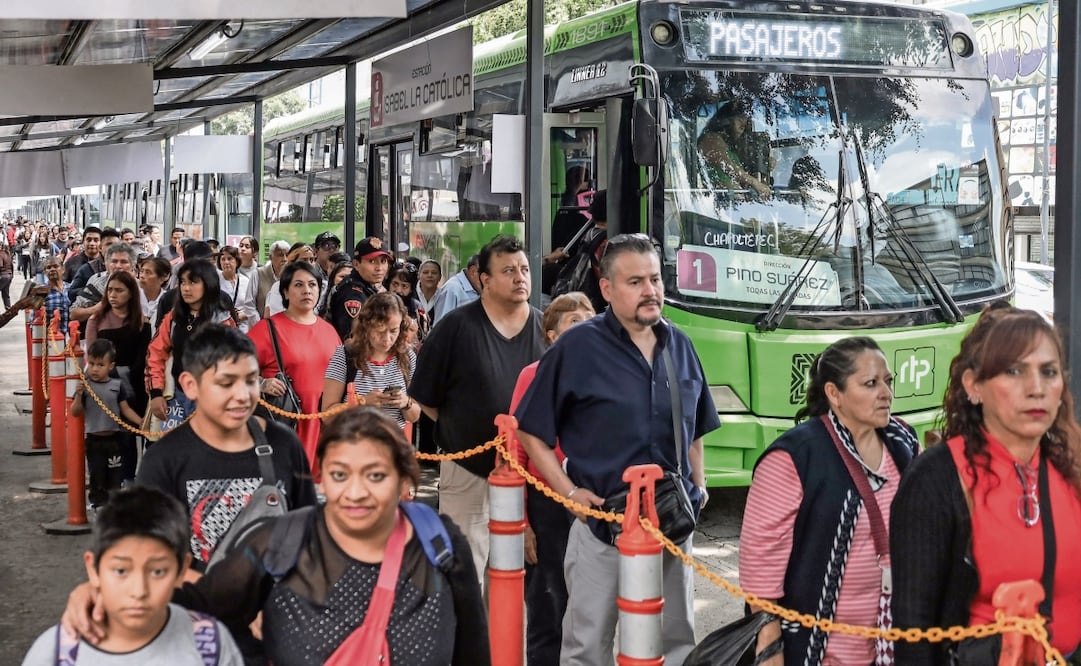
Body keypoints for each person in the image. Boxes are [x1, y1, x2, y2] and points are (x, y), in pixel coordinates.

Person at [514, 233, 719, 665]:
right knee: (588, 646)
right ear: (606, 289)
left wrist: (698, 488)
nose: (651, 291)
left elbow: (697, 426)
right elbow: (530, 430)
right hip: (602, 527)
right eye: (636, 282)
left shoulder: (679, 344)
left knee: (675, 643)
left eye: (656, 280)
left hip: (672, 526)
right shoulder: (577, 347)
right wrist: (570, 493)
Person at [891, 304, 1081, 664]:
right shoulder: (935, 479)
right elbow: (913, 631)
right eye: (1013, 371)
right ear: (973, 386)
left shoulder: (1073, 463)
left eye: (1049, 371)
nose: (1036, 388)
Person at [739, 336, 919, 665]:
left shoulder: (902, 440)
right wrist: (769, 651)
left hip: (892, 643)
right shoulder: (794, 458)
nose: (886, 394)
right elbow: (760, 569)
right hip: (821, 650)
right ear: (834, 393)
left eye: (888, 381)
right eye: (870, 383)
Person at [412, 235, 544, 581]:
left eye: (524, 270)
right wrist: (460, 429)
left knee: (518, 578)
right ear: (484, 279)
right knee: (467, 574)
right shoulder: (455, 328)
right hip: (467, 470)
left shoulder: (545, 329)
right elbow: (425, 394)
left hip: (530, 475)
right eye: (509, 270)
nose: (520, 278)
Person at [139, 325, 318, 576]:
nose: (243, 396)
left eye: (251, 381)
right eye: (226, 383)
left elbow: (308, 536)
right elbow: (149, 559)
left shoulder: (285, 445)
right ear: (190, 385)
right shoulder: (163, 461)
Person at [22, 486, 245, 666]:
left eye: (158, 571)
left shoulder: (209, 644)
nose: (139, 591)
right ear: (93, 568)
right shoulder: (56, 654)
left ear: (181, 570)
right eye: (121, 571)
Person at [508, 292, 596, 666]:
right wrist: (522, 522)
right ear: (551, 334)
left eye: (590, 319)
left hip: (593, 502)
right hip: (547, 504)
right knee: (547, 607)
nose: (585, 328)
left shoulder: (604, 376)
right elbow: (515, 451)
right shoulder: (533, 374)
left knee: (590, 611)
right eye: (574, 321)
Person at [249, 261, 341, 471]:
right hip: (285, 426)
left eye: (312, 284)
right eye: (298, 285)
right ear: (285, 292)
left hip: (324, 430)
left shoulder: (330, 331)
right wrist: (261, 383)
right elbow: (233, 369)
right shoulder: (267, 329)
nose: (307, 290)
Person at [146, 260, 236, 429]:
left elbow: (233, 364)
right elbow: (155, 353)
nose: (186, 288)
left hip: (212, 401)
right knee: (175, 453)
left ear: (208, 284)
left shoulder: (222, 321)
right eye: (183, 282)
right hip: (176, 397)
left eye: (193, 282)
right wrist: (156, 393)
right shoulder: (173, 317)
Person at [85, 271, 152, 483]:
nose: (113, 295)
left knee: (139, 432)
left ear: (131, 294)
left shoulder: (142, 322)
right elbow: (92, 356)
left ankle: (138, 481)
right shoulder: (97, 320)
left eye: (119, 290)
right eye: (110, 290)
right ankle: (116, 483)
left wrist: (131, 380)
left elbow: (143, 357)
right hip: (107, 386)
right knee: (116, 439)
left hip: (137, 384)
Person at [321, 292, 420, 430]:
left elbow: (415, 416)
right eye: (380, 331)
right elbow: (327, 415)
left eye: (393, 331)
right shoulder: (345, 355)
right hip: (354, 444)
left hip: (392, 445)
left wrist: (406, 403)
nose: (387, 339)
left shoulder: (407, 357)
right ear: (366, 326)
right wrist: (362, 402)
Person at [71, 339, 143, 508]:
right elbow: (75, 412)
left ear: (111, 366)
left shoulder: (117, 386)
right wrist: (79, 395)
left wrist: (141, 422)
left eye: (101, 365)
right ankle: (97, 505)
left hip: (114, 439)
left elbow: (125, 409)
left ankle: (113, 507)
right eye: (93, 364)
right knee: (97, 475)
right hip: (94, 441)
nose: (95, 369)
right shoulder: (86, 387)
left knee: (115, 475)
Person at [698, 101, 772, 198]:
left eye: (744, 127)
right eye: (740, 124)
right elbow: (727, 166)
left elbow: (744, 174)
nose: (742, 130)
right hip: (719, 201)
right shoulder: (710, 139)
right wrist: (753, 182)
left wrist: (764, 166)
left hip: (735, 200)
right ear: (725, 121)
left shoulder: (732, 149)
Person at [329, 237, 391, 340]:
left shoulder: (367, 286)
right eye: (372, 261)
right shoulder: (352, 294)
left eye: (383, 261)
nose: (379, 268)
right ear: (356, 264)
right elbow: (352, 338)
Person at [70, 241, 137, 323]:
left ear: (133, 265)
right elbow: (73, 314)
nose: (118, 266)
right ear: (107, 264)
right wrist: (98, 308)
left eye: (124, 262)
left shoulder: (141, 286)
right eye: (114, 261)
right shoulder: (97, 283)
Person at [263, 243, 317, 318]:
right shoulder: (278, 287)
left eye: (312, 260)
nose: (309, 264)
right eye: (304, 260)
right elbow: (277, 315)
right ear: (292, 262)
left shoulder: (320, 285)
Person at [429, 253, 480, 325]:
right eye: (487, 275)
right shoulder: (451, 290)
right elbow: (442, 329)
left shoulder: (479, 289)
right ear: (473, 272)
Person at [217, 245, 256, 332]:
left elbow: (253, 306)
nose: (226, 262)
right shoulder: (215, 281)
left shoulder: (246, 281)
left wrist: (244, 315)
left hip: (243, 329)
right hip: (222, 329)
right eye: (223, 259)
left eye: (230, 258)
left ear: (237, 261)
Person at [249, 239, 289, 319]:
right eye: (280, 255)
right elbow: (249, 305)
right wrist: (262, 325)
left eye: (287, 255)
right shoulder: (258, 273)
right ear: (270, 257)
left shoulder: (292, 276)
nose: (284, 259)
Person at [138, 256, 171, 333]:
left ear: (163, 278)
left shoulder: (168, 300)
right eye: (141, 271)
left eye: (148, 272)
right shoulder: (133, 296)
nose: (142, 276)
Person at [41, 256, 71, 334]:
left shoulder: (71, 288)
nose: (52, 269)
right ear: (45, 272)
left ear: (63, 269)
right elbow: (34, 322)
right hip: (52, 340)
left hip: (71, 339)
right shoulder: (41, 292)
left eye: (56, 266)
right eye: (48, 267)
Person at [0, 239, 12, 309]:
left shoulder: (0, 254)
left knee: (5, 294)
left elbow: (0, 265)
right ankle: (8, 309)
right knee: (5, 294)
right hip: (9, 275)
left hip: (3, 275)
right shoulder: (7, 253)